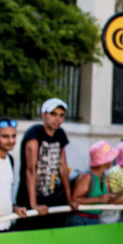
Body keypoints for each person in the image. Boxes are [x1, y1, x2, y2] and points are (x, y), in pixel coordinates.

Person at [18, 98, 72, 229]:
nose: (57, 119)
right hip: (30, 197)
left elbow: (62, 167)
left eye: (61, 115)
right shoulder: (34, 132)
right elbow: (30, 170)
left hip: (50, 194)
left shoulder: (60, 134)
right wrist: (33, 204)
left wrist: (69, 199)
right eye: (53, 114)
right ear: (43, 115)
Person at [67, 140, 119, 227]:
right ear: (104, 161)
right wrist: (99, 199)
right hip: (81, 220)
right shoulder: (86, 177)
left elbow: (107, 198)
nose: (112, 160)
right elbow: (75, 200)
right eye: (110, 158)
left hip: (95, 219)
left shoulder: (103, 177)